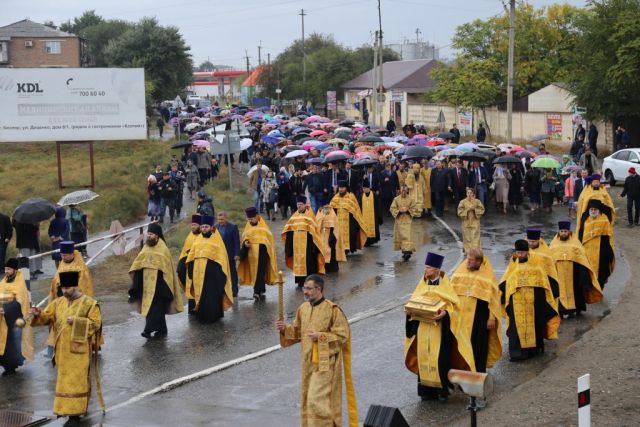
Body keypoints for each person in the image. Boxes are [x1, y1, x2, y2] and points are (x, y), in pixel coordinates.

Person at [276, 274, 358, 427]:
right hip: (307, 363)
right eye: (304, 288)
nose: (305, 292)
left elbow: (342, 335)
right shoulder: (303, 309)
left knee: (316, 401)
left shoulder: (332, 310)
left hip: (325, 364)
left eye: (308, 288)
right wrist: (284, 330)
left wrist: (321, 337)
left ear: (318, 289)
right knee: (308, 400)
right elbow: (297, 332)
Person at [31, 271, 103, 427]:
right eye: (63, 288)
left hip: (79, 352)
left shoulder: (89, 303)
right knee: (64, 383)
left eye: (68, 288)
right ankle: (66, 411)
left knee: (77, 383)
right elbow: (46, 317)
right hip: (62, 352)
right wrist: (38, 314)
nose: (65, 291)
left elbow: (96, 324)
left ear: (76, 286)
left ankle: (75, 415)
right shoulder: (58, 302)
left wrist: (77, 321)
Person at [404, 252, 475, 401]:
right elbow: (414, 302)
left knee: (440, 360)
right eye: (425, 267)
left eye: (428, 268)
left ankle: (442, 392)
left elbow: (455, 308)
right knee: (424, 358)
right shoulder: (422, 285)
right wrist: (410, 311)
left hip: (439, 331)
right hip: (423, 329)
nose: (425, 270)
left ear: (436, 270)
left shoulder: (445, 287)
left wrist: (445, 314)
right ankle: (426, 392)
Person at [499, 240, 560, 361]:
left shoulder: (536, 266)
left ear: (527, 253)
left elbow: (543, 285)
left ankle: (533, 351)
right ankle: (517, 354)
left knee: (535, 326)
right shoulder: (513, 266)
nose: (520, 255)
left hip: (534, 303)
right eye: (518, 252)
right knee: (516, 329)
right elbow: (505, 282)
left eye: (522, 252)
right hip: (516, 304)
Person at [450, 249, 502, 377]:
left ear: (479, 261)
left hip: (480, 316)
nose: (467, 262)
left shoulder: (488, 275)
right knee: (461, 343)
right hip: (462, 316)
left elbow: (494, 299)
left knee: (479, 345)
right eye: (467, 259)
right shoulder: (461, 270)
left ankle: (478, 372)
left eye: (470, 260)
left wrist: (491, 318)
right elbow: (451, 291)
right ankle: (463, 370)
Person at [128, 223, 183, 338]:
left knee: (156, 308)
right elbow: (138, 263)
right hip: (147, 284)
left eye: (151, 234)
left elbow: (168, 269)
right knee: (150, 308)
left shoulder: (163, 249)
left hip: (160, 285)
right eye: (148, 234)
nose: (149, 236)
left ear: (157, 235)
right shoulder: (146, 247)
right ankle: (162, 330)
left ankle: (147, 330)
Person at [549, 221, 603, 317]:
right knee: (559, 292)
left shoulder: (576, 243)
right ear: (559, 232)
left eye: (565, 231)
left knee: (575, 292)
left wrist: (584, 277)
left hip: (573, 274)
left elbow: (582, 259)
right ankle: (561, 311)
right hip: (559, 274)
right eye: (561, 231)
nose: (563, 233)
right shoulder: (553, 244)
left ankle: (574, 310)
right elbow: (549, 261)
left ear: (569, 232)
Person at [186, 215, 234, 323]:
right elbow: (191, 257)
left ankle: (214, 316)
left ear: (211, 228)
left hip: (213, 276)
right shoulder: (197, 241)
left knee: (212, 296)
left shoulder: (217, 241)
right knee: (202, 295)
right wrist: (190, 271)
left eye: (206, 227)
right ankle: (201, 316)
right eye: (202, 227)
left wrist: (220, 276)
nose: (203, 229)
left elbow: (222, 259)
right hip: (199, 275)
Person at [0, 258, 34, 375]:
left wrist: (7, 309)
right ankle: (5, 364)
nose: (6, 271)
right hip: (2, 318)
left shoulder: (20, 282)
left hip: (13, 317)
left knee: (13, 341)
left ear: (14, 269)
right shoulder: (4, 281)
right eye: (5, 268)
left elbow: (21, 301)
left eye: (9, 269)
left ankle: (12, 365)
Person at [282, 196, 325, 287]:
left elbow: (314, 233)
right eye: (298, 204)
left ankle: (310, 282)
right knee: (298, 263)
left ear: (305, 205)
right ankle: (300, 282)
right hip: (297, 247)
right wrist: (288, 247)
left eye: (301, 204)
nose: (299, 206)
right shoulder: (294, 216)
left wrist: (314, 248)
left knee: (309, 263)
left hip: (308, 246)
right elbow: (289, 232)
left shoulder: (310, 215)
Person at [238, 207, 278, 301]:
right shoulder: (248, 226)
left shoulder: (263, 226)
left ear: (256, 217)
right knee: (254, 272)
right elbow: (244, 238)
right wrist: (245, 243)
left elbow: (269, 239)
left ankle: (256, 291)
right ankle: (260, 289)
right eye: (249, 219)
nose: (250, 221)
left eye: (252, 219)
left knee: (260, 272)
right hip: (251, 255)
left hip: (262, 254)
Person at [578, 199, 615, 288]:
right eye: (591, 210)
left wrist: (608, 252)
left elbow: (607, 236)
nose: (593, 211)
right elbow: (580, 234)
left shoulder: (604, 219)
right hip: (587, 249)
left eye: (595, 209)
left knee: (601, 271)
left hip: (601, 250)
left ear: (599, 210)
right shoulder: (585, 220)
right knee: (586, 270)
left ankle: (599, 288)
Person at [525, 228, 560, 299]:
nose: (531, 243)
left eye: (533, 241)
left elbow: (551, 271)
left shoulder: (545, 253)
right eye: (529, 241)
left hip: (541, 285)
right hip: (526, 283)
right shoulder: (523, 251)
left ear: (538, 241)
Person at [177, 215, 202, 310]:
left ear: (200, 225)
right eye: (192, 225)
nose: (193, 227)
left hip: (200, 264)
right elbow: (185, 251)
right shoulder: (190, 235)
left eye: (195, 225)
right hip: (189, 264)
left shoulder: (203, 235)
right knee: (180, 272)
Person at [390, 185, 420, 261]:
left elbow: (414, 208)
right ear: (400, 190)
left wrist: (407, 210)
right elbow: (392, 208)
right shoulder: (396, 199)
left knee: (407, 237)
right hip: (399, 221)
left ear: (407, 191)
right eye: (402, 190)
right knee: (401, 237)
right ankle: (404, 252)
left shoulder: (411, 199)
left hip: (408, 221)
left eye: (405, 191)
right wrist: (399, 211)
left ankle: (407, 252)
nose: (403, 192)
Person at [315, 200, 346, 273]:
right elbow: (316, 226)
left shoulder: (333, 214)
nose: (326, 209)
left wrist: (332, 237)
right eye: (325, 208)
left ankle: (332, 268)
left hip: (330, 236)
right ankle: (322, 267)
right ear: (322, 207)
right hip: (321, 236)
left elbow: (336, 227)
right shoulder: (319, 214)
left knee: (331, 252)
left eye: (327, 207)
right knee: (322, 252)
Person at [458, 188, 485, 253]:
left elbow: (482, 210)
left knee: (475, 237)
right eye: (468, 193)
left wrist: (474, 210)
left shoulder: (477, 201)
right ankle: (468, 252)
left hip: (475, 221)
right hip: (466, 222)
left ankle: (475, 252)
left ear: (473, 194)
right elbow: (459, 212)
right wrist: (467, 210)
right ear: (466, 193)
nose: (469, 194)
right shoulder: (462, 202)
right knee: (467, 238)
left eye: (471, 193)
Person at [358, 181, 382, 246]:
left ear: (369, 188)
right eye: (363, 188)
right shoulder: (361, 196)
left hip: (373, 216)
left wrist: (379, 216)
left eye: (366, 188)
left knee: (373, 228)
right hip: (364, 217)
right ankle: (365, 241)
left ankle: (372, 240)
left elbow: (378, 206)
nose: (364, 189)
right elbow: (359, 206)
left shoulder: (374, 195)